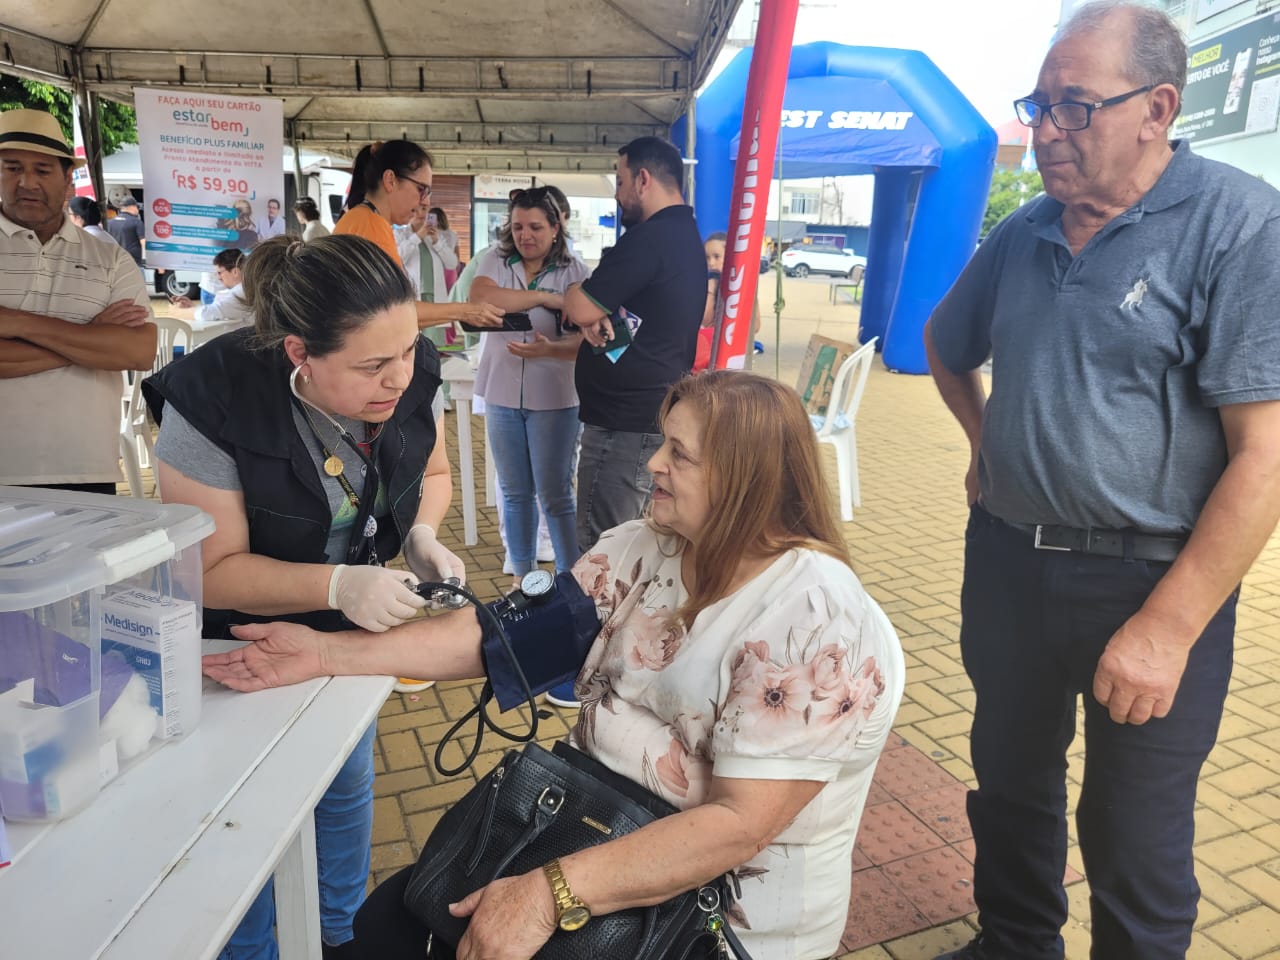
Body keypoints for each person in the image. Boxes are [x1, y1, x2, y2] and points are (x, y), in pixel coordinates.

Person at [203, 369, 905, 960]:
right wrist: (325, 651)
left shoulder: (816, 621)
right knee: (394, 922)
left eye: (680, 454)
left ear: (747, 480)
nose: (654, 463)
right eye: (663, 442)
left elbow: (736, 827)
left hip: (713, 917)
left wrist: (547, 894)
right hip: (591, 829)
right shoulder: (644, 546)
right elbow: (501, 640)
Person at [923, 4, 1280, 959]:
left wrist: (1166, 631)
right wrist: (985, 443)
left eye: (1073, 107)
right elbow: (945, 346)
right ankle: (1015, 943)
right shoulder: (1026, 232)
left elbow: (1266, 457)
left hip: (1151, 585)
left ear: (1157, 107)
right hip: (1007, 564)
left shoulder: (1237, 224)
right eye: (1038, 106)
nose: (1044, 133)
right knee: (1008, 785)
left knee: (1133, 832)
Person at [142, 234, 467, 960]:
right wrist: (335, 583)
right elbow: (213, 567)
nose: (398, 379)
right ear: (299, 354)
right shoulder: (212, 396)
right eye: (371, 367)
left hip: (353, 619)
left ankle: (338, 933)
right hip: (240, 637)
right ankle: (252, 948)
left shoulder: (413, 374)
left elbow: (436, 469)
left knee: (346, 779)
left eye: (409, 352)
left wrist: (420, 535)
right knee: (243, 813)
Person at [562, 136, 707, 556]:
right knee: (631, 546)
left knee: (602, 552)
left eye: (621, 180)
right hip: (643, 416)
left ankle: (597, 625)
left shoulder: (650, 239)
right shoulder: (681, 235)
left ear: (643, 179)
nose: (617, 193)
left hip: (623, 427)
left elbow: (578, 306)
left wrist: (577, 293)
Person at [0, 107, 156, 493]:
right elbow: (116, 350)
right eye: (12, 167)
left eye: (42, 170)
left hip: (88, 468)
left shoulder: (108, 257)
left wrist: (19, 324)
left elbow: (137, 351)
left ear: (68, 179)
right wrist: (92, 339)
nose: (27, 182)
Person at [469, 187, 589, 586]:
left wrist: (550, 350)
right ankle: (524, 582)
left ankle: (570, 583)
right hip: (502, 393)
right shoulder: (497, 259)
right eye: (518, 226)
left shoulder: (577, 272)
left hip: (555, 398)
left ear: (556, 227)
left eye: (536, 226)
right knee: (515, 493)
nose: (526, 235)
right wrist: (544, 298)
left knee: (555, 496)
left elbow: (591, 340)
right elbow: (481, 296)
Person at [336, 141, 501, 332]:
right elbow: (395, 312)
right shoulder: (370, 225)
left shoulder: (363, 219)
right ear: (390, 180)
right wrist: (465, 311)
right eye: (421, 189)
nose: (426, 201)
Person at [170, 248, 252, 328]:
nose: (218, 277)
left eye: (220, 273)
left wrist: (177, 312)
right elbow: (218, 311)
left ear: (235, 272)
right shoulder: (247, 288)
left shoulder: (239, 293)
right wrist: (192, 307)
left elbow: (206, 314)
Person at [693, 231, 726, 372]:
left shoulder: (738, 289)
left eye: (717, 257)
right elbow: (703, 318)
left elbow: (755, 326)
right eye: (707, 258)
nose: (711, 263)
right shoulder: (705, 284)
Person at [106, 194, 145, 267]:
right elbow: (144, 242)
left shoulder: (109, 223)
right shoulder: (136, 222)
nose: (138, 210)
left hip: (115, 261)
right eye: (137, 207)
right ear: (132, 207)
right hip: (133, 262)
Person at [426, 206, 459, 287]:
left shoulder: (429, 234)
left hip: (435, 270)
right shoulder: (453, 234)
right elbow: (457, 256)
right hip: (451, 271)